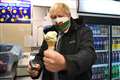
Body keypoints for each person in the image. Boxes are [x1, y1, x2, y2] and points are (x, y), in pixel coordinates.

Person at [27, 3, 97, 80]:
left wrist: (66, 63)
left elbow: (89, 55)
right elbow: (41, 56)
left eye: (60, 16)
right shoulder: (50, 33)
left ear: (69, 15)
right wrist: (36, 66)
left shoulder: (83, 31)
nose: (57, 20)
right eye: (53, 17)